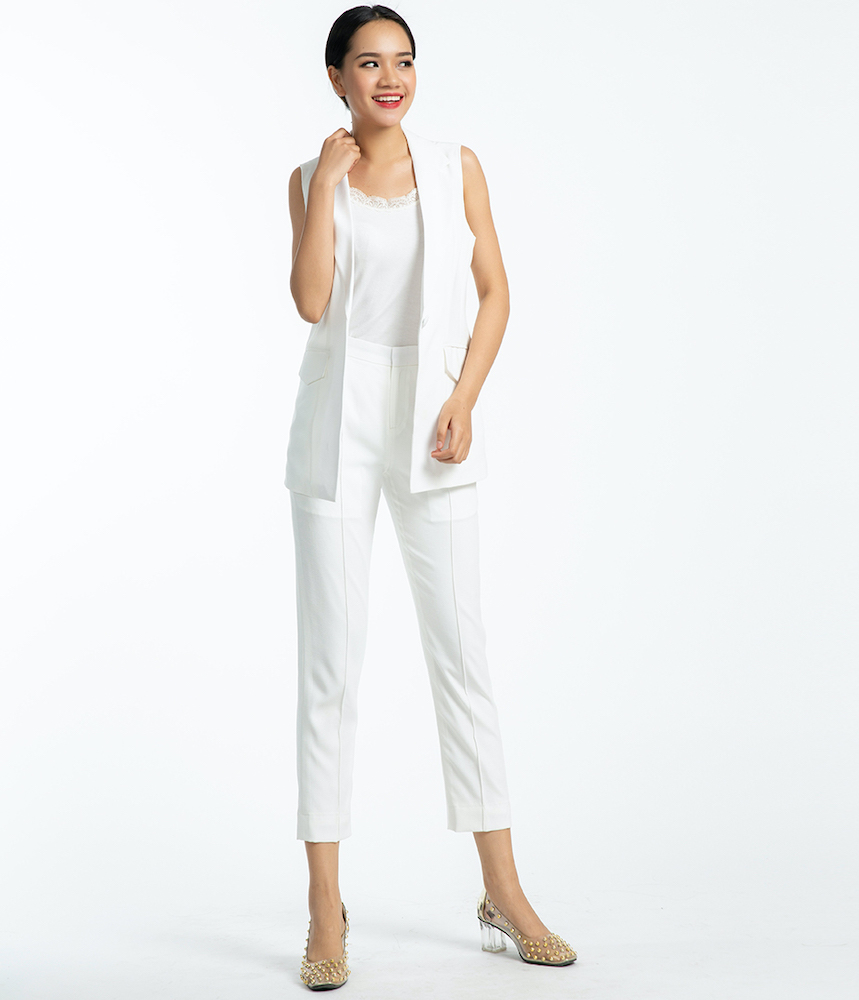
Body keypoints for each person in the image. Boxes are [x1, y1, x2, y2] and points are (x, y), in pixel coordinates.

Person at [284, 6, 577, 990]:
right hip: (337, 425)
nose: (390, 79)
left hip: (433, 418)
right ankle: (325, 907)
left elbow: (495, 292)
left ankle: (503, 891)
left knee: (463, 655)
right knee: (330, 668)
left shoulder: (457, 168)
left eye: (403, 61)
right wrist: (326, 188)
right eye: (369, 63)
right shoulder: (309, 178)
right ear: (337, 78)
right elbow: (312, 302)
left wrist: (462, 397)